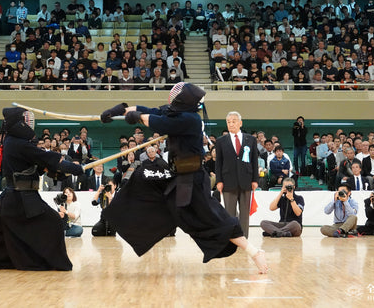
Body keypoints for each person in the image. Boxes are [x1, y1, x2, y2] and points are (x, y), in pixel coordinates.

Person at [100, 83, 268, 273]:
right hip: (178, 176)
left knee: (216, 219)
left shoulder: (190, 120)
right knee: (149, 187)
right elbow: (151, 111)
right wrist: (120, 110)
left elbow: (157, 122)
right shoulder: (177, 114)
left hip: (194, 179)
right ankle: (122, 217)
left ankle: (255, 252)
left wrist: (136, 117)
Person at [0, 107, 85, 271]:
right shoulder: (17, 143)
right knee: (52, 222)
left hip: (20, 197)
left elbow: (37, 167)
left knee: (7, 235)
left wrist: (57, 172)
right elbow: (45, 158)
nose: (29, 124)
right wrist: (74, 167)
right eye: (26, 121)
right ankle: (49, 262)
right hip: (20, 199)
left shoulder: (16, 142)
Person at [215, 111, 259, 239]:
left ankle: (243, 237)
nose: (231, 124)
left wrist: (255, 180)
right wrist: (219, 181)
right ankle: (231, 237)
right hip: (228, 181)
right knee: (229, 212)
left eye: (234, 121)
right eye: (228, 122)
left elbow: (254, 160)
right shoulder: (221, 141)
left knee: (245, 213)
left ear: (240, 123)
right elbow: (219, 163)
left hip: (246, 180)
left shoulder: (250, 139)